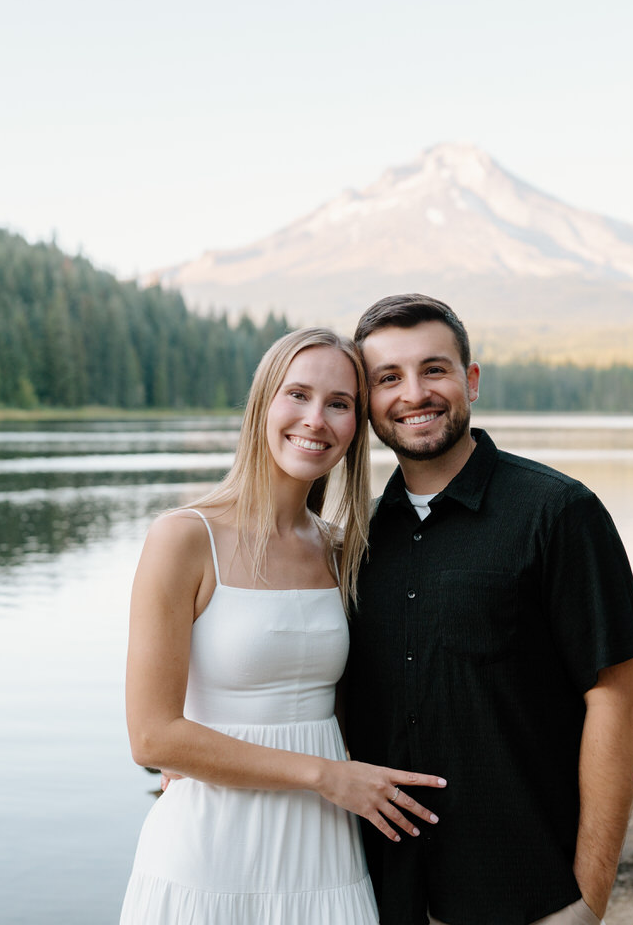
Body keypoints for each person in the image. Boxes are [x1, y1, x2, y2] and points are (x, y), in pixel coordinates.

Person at [120, 326, 447, 925]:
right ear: (262, 405)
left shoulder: (342, 551)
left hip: (324, 851)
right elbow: (152, 738)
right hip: (208, 851)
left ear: (357, 428)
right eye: (297, 394)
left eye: (340, 403)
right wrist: (326, 775)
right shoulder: (184, 538)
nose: (316, 420)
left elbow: (357, 703)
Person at [345, 295, 633, 925]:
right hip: (380, 894)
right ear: (368, 400)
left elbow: (616, 699)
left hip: (527, 894)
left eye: (435, 369)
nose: (414, 394)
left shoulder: (559, 513)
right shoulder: (357, 539)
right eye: (388, 378)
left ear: (471, 381)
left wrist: (588, 899)